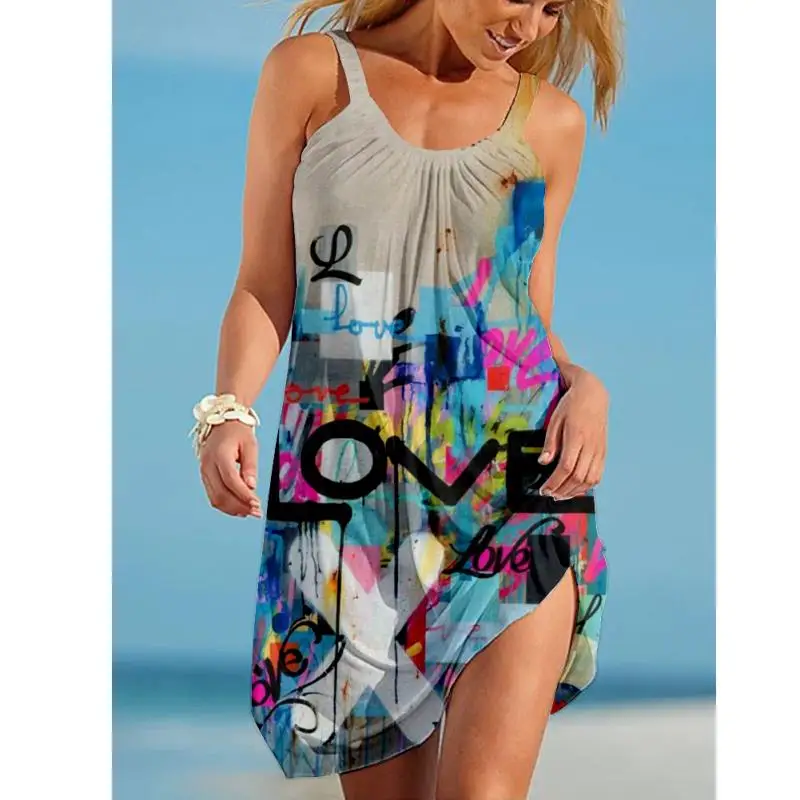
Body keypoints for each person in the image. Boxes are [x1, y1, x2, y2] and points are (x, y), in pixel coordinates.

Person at [193, 1, 622, 797]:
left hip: (511, 486)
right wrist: (229, 408)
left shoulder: (551, 126)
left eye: (554, 9)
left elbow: (522, 312)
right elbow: (263, 280)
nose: (530, 26)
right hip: (353, 501)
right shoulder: (311, 75)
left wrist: (586, 386)